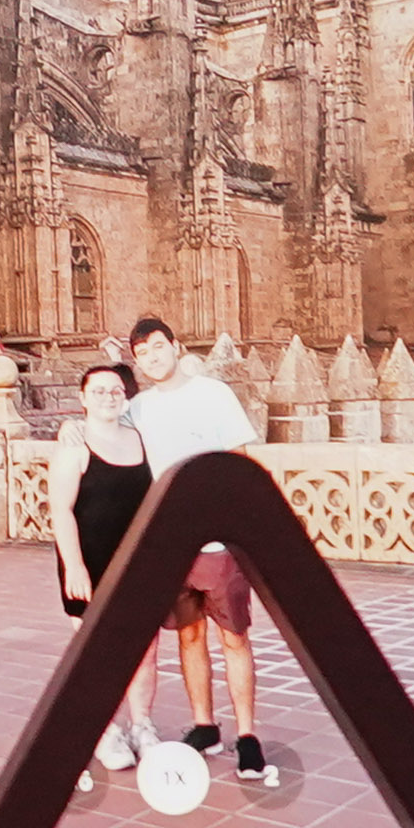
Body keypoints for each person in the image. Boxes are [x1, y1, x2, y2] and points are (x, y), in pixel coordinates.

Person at [120, 314, 279, 786]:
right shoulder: (139, 408)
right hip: (171, 543)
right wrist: (71, 432)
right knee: (188, 637)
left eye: (157, 347)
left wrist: (241, 532)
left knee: (233, 637)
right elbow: (107, 438)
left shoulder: (213, 394)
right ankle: (205, 725)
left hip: (217, 542)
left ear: (175, 345)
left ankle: (247, 736)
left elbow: (240, 463)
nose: (152, 357)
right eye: (142, 353)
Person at [48, 361, 185, 803]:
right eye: (99, 390)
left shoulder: (141, 439)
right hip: (91, 563)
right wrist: (74, 567)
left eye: (115, 390)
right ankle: (104, 730)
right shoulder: (74, 447)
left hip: (138, 563)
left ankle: (141, 723)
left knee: (145, 652)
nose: (108, 396)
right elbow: (61, 511)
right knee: (97, 654)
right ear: (83, 398)